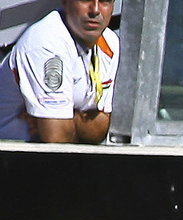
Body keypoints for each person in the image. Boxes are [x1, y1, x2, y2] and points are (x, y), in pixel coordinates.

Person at [0, 0, 117, 143]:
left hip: (47, 156)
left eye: (105, 1)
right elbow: (57, 140)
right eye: (86, 0)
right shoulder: (46, 42)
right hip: (11, 152)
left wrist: (68, 119)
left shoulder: (110, 42)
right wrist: (76, 122)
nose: (95, 10)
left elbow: (101, 129)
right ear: (65, 2)